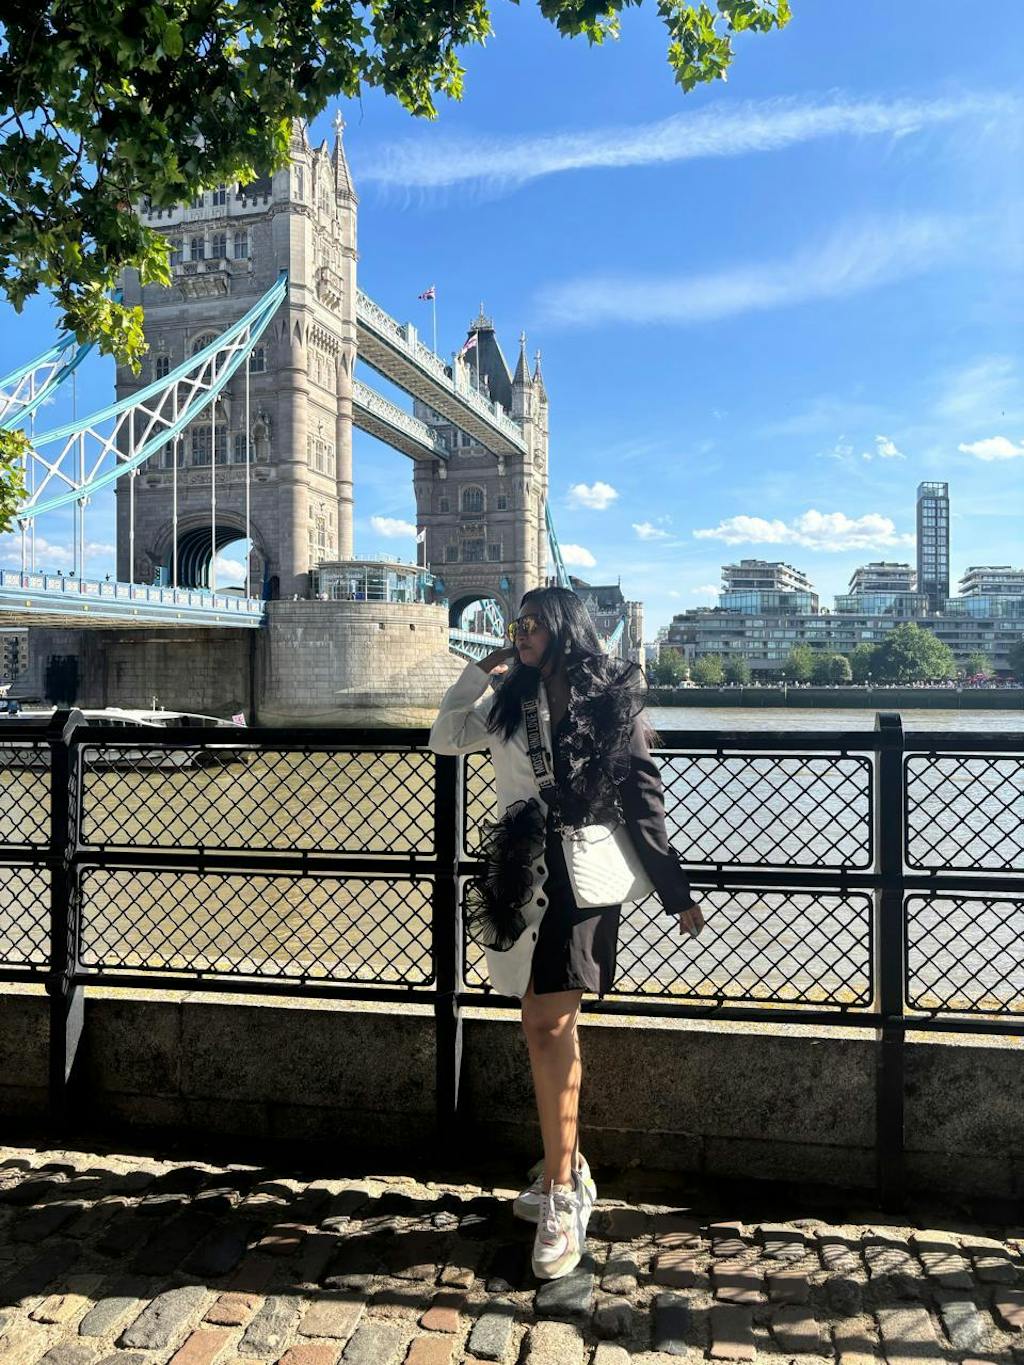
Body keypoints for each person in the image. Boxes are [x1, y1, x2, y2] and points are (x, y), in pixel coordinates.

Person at [429, 586, 703, 1281]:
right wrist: (479, 669)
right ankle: (568, 1162)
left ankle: (560, 1194)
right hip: (521, 873)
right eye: (514, 623)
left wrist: (676, 892)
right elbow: (444, 736)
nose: (519, 632)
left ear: (565, 628)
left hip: (582, 873)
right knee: (542, 1023)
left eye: (531, 624)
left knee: (547, 1021)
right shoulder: (508, 702)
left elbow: (642, 796)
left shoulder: (611, 702)